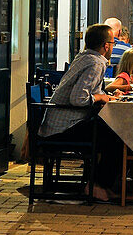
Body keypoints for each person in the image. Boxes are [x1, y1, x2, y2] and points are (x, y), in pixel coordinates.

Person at [39, 23, 122, 202]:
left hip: (55, 125)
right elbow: (78, 99)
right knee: (118, 135)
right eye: (113, 43)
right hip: (63, 129)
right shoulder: (96, 62)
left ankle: (100, 184)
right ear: (106, 46)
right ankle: (97, 185)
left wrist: (104, 95)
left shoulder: (84, 57)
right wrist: (101, 98)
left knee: (112, 131)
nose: (113, 46)